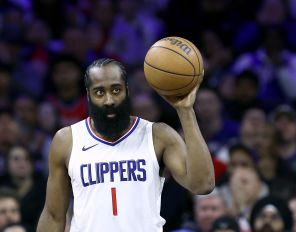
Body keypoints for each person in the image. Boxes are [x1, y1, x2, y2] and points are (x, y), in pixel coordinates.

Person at [36, 58, 215, 232]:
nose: (109, 100)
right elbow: (53, 216)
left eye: (116, 90)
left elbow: (202, 185)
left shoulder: (158, 135)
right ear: (88, 95)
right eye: (99, 92)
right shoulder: (67, 140)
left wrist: (185, 111)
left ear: (127, 91)